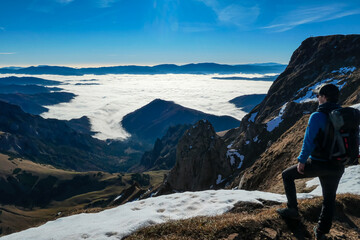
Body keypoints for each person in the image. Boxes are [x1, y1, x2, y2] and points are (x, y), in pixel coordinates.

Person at [277, 84, 344, 240]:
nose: (316, 98)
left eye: (318, 95)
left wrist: (301, 160)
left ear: (324, 97)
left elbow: (309, 142)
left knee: (287, 175)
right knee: (329, 199)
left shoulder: (317, 116)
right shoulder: (343, 115)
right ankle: (321, 233)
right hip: (338, 165)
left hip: (319, 164)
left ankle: (292, 210)